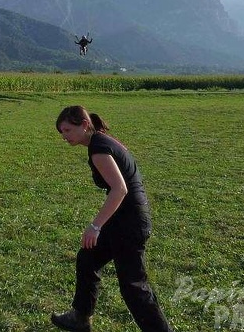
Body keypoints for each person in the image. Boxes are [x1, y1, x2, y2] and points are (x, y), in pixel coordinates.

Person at [51, 105, 172, 332]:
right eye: (61, 132)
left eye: (67, 130)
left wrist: (95, 226)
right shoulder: (100, 140)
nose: (64, 136)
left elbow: (119, 189)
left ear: (84, 125)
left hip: (130, 223)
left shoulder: (99, 149)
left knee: (133, 286)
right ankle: (80, 317)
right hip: (122, 218)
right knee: (87, 258)